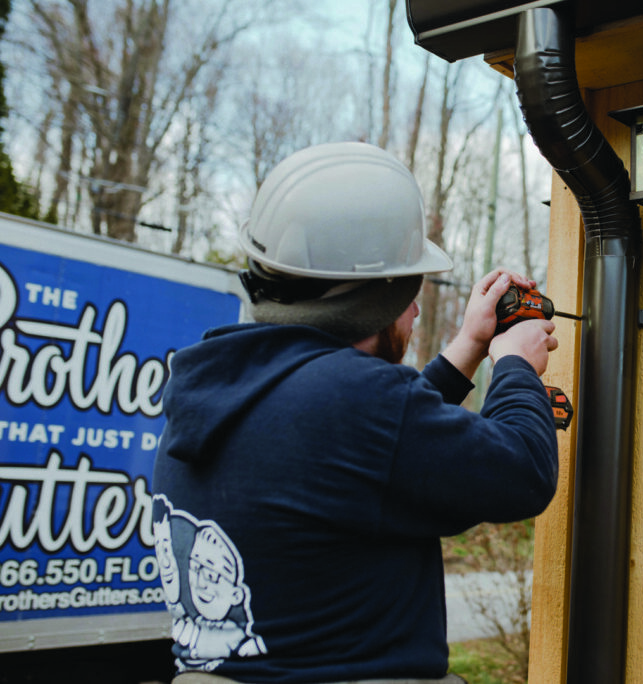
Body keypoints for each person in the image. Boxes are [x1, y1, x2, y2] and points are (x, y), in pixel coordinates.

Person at [152, 142, 560, 683]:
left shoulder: (223, 391)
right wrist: (515, 367)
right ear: (372, 303)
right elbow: (522, 472)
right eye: (407, 293)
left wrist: (468, 348)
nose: (415, 309)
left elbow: (377, 455)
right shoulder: (354, 405)